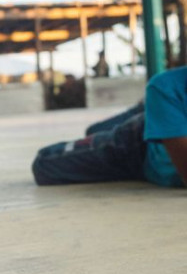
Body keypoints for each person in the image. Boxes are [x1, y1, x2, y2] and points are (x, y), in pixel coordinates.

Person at [31, 66, 187, 188]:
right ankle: (150, 109)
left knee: (96, 131)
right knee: (45, 163)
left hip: (163, 118)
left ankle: (153, 110)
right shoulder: (169, 85)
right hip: (138, 145)